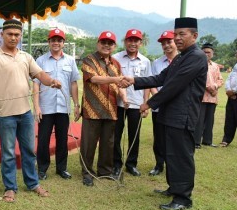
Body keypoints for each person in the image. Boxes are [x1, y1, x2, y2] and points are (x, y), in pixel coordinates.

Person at [122, 17, 207, 210]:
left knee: (181, 156)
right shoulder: (180, 57)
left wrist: (149, 103)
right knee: (171, 153)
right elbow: (161, 77)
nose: (177, 38)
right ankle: (174, 188)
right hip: (170, 114)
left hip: (183, 115)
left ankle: (183, 199)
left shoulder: (197, 56)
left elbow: (173, 85)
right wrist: (133, 79)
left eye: (181, 34)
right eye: (175, 34)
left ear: (194, 36)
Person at [0, 19, 62, 203]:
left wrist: (51, 81)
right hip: (5, 115)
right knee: (8, 153)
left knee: (29, 151)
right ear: (2, 35)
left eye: (16, 35)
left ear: (20, 36)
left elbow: (40, 75)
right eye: (10, 34)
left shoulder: (26, 56)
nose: (13, 38)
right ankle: (10, 188)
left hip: (26, 114)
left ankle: (32, 183)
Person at [76, 31, 128, 187]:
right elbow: (94, 79)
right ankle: (87, 172)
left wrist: (124, 98)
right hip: (92, 109)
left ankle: (105, 171)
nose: (106, 45)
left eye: (110, 43)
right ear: (98, 43)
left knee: (108, 143)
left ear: (114, 46)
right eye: (103, 42)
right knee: (88, 144)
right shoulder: (89, 60)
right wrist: (115, 79)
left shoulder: (116, 64)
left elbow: (120, 85)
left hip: (111, 109)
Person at [33, 28, 80, 180]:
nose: (56, 43)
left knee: (62, 139)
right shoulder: (40, 61)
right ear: (49, 42)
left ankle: (61, 168)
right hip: (46, 107)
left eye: (59, 40)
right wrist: (36, 106)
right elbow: (36, 84)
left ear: (63, 43)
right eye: (53, 40)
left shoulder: (70, 61)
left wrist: (76, 104)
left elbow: (73, 84)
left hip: (63, 107)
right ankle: (42, 169)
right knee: (43, 139)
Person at [112, 29, 151, 177]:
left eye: (136, 40)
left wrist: (146, 104)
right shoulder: (115, 58)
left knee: (135, 135)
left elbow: (148, 83)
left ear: (140, 43)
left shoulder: (145, 61)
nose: (132, 43)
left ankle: (131, 164)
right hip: (118, 104)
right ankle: (116, 164)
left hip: (136, 104)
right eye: (130, 40)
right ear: (125, 42)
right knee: (116, 135)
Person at [148, 30, 178, 176]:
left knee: (174, 139)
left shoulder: (183, 61)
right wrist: (157, 99)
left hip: (176, 109)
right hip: (159, 108)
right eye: (163, 43)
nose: (166, 45)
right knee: (159, 138)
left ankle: (173, 166)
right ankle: (159, 165)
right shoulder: (157, 63)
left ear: (176, 42)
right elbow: (153, 83)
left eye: (169, 42)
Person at [194, 43, 224, 148]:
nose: (206, 54)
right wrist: (210, 88)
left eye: (208, 52)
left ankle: (207, 141)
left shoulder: (215, 66)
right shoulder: (198, 64)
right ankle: (196, 142)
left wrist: (215, 87)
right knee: (199, 120)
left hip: (212, 97)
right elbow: (199, 79)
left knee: (210, 120)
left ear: (213, 53)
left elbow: (220, 79)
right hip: (201, 97)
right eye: (204, 52)